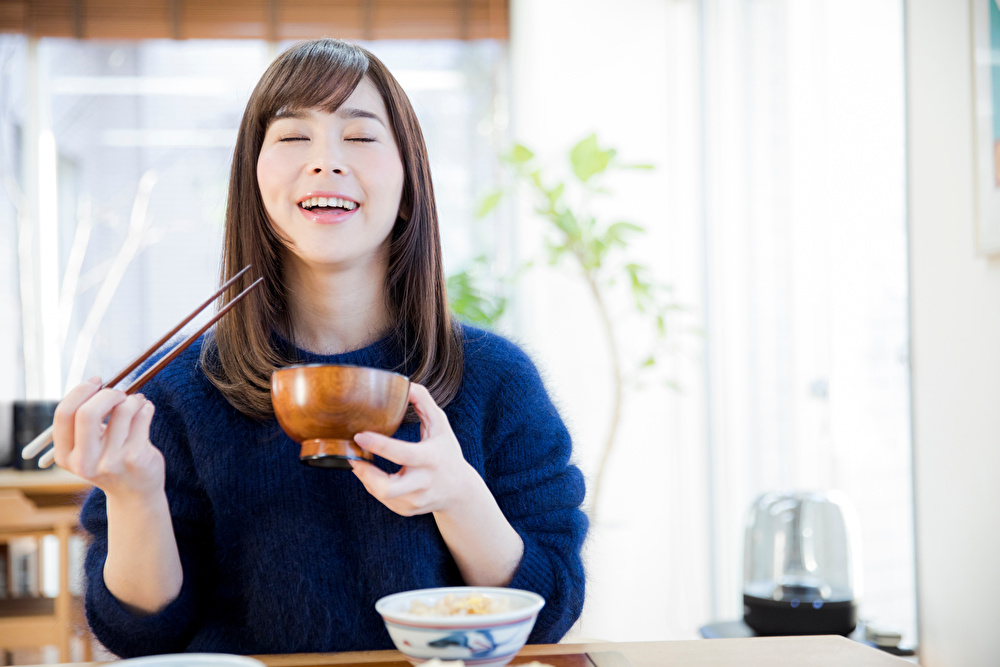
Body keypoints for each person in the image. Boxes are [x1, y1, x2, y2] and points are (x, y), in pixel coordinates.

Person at [52, 39, 588, 657]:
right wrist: (133, 492)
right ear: (253, 179)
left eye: (360, 138)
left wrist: (458, 495)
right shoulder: (177, 391)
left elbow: (551, 614)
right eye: (292, 137)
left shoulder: (496, 379)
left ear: (410, 181)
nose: (326, 162)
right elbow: (138, 635)